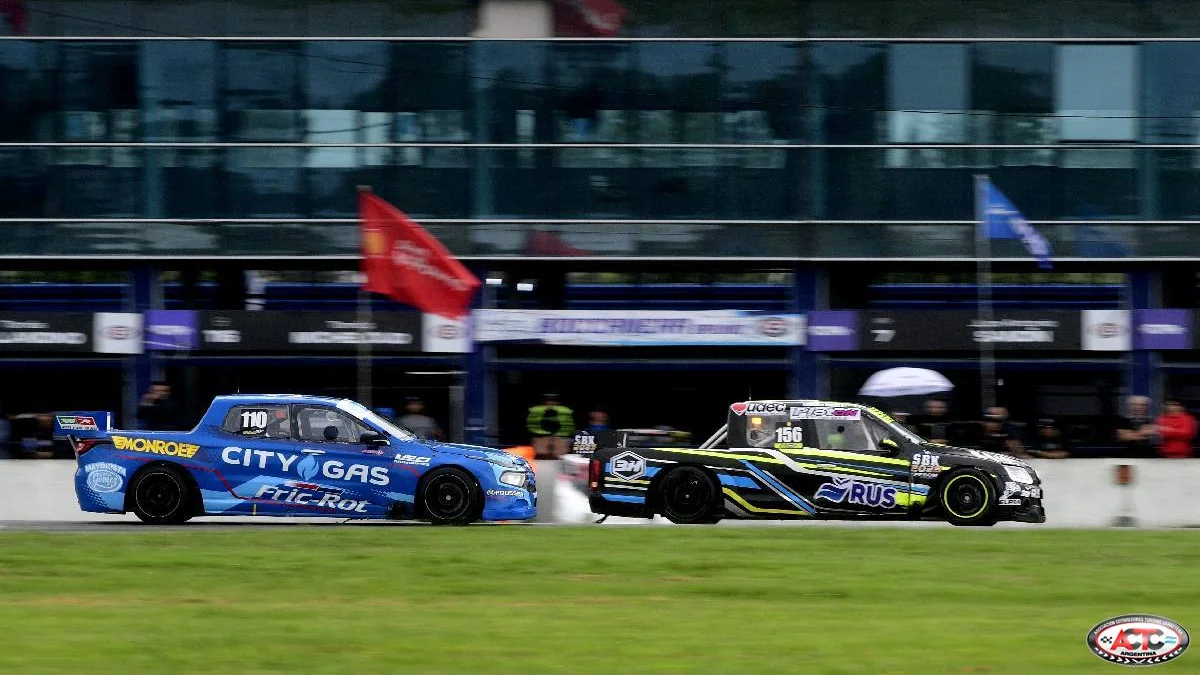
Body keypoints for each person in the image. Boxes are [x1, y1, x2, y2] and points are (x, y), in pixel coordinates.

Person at [526, 393, 574, 459]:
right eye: (548, 400)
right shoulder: (536, 410)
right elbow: (532, 424)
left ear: (557, 402)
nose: (551, 403)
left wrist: (560, 437)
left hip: (560, 437)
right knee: (541, 453)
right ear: (544, 401)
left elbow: (568, 425)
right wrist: (542, 435)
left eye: (553, 401)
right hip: (540, 437)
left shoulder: (565, 410)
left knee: (560, 454)